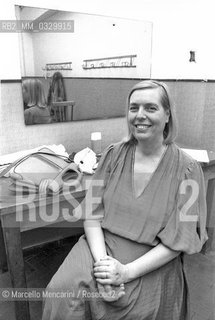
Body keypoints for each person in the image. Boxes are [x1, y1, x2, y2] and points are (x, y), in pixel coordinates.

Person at [42, 80, 208, 319]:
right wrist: (103, 265)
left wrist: (126, 273)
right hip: (100, 246)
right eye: (134, 108)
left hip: (150, 257)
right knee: (60, 292)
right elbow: (92, 215)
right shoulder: (112, 156)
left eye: (151, 108)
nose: (140, 115)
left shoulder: (188, 170)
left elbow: (179, 241)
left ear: (168, 114)